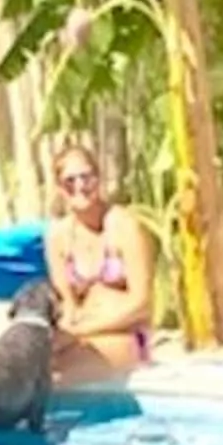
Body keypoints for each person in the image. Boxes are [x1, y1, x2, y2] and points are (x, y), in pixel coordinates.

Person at [43, 141, 155, 380]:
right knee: (38, 364)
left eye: (87, 178)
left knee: (70, 370)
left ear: (99, 179)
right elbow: (69, 305)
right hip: (83, 333)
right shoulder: (58, 237)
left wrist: (85, 330)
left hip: (127, 334)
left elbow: (142, 305)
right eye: (70, 181)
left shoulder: (125, 227)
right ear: (59, 188)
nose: (80, 187)